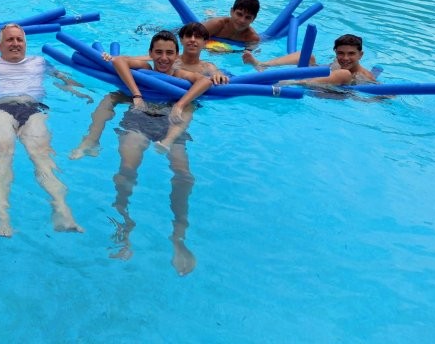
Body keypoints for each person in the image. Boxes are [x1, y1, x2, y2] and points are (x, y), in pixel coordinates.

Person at [70, 31, 213, 276]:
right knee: (127, 169)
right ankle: (124, 222)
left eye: (169, 53)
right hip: (140, 118)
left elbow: (205, 81)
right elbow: (118, 61)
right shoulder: (144, 68)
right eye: (159, 52)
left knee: (184, 176)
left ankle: (178, 236)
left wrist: (180, 104)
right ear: (150, 54)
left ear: (177, 55)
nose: (164, 58)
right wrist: (136, 95)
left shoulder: (180, 75)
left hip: (170, 121)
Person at [0, 23, 89, 237]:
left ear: (25, 44)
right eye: (10, 39)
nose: (15, 43)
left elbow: (62, 78)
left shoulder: (39, 62)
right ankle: (1, 212)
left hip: (33, 109)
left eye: (20, 40)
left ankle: (61, 210)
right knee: (4, 151)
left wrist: (79, 92)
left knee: (42, 156)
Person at [242, 33, 376, 85]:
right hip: (317, 78)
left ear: (361, 55)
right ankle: (262, 64)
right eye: (341, 53)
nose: (345, 58)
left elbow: (377, 91)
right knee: (308, 56)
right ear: (335, 52)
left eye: (351, 54)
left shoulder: (364, 76)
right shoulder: (337, 61)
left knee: (344, 74)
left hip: (332, 93)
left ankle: (291, 83)